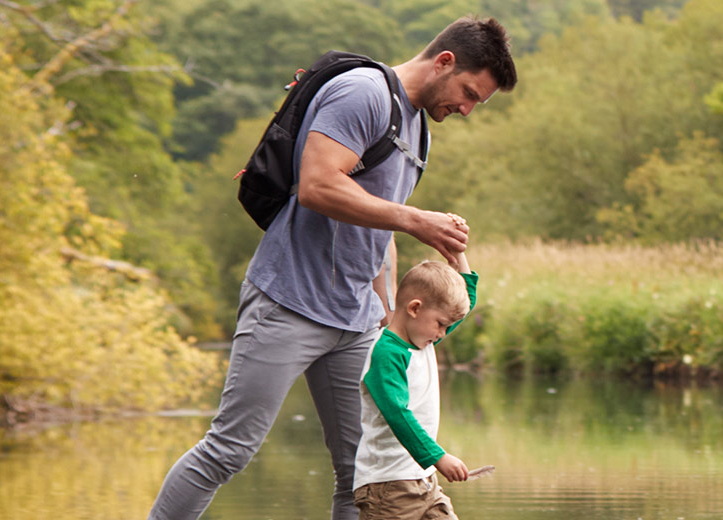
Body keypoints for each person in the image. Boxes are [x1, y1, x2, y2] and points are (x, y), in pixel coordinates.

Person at [148, 16, 518, 520]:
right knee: (228, 451)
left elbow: (377, 232)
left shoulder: (418, 130)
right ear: (445, 62)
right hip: (288, 302)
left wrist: (387, 312)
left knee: (359, 472)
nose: (468, 110)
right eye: (470, 93)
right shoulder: (363, 93)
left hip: (357, 319)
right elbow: (318, 185)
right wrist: (415, 220)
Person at [350, 256, 483, 520]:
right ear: (414, 308)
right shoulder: (387, 354)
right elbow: (397, 413)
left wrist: (458, 256)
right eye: (441, 324)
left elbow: (463, 306)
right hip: (388, 487)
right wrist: (438, 456)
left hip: (424, 480)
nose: (444, 333)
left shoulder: (423, 339)